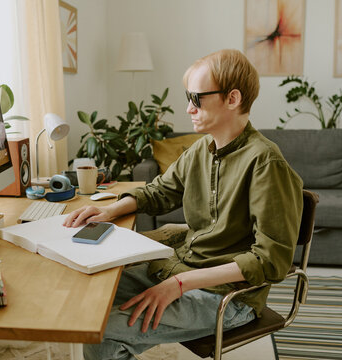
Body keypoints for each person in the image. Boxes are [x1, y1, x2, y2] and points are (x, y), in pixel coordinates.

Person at [63, 49, 304, 360]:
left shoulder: (265, 163)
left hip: (227, 297)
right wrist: (110, 210)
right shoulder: (201, 149)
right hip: (180, 269)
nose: (188, 108)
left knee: (102, 334)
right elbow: (160, 191)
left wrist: (179, 284)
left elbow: (271, 261)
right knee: (91, 290)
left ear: (232, 99)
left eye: (197, 98)